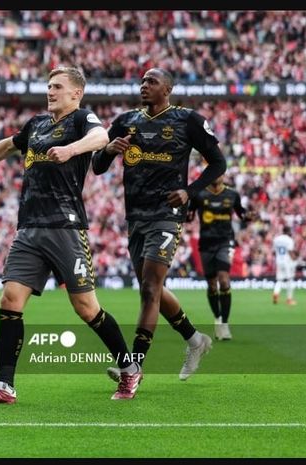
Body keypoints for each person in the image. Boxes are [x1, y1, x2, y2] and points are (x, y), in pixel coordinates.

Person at [0, 66, 142, 402]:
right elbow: (7, 146)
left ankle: (129, 369)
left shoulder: (82, 119)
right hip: (29, 228)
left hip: (65, 227)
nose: (50, 91)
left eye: (57, 87)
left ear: (75, 93)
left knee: (86, 308)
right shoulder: (37, 125)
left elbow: (101, 139)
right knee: (10, 300)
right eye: (48, 86)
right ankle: (4, 386)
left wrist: (71, 150)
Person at [92, 68, 226, 382]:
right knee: (152, 288)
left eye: (151, 82)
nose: (144, 86)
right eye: (142, 81)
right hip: (135, 216)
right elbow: (97, 167)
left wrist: (190, 191)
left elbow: (218, 162)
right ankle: (195, 340)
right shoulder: (126, 121)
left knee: (150, 288)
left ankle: (135, 364)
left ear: (167, 88)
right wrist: (108, 151)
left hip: (167, 215)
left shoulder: (187, 120)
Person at [187, 174, 257, 340]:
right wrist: (183, 214)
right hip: (206, 244)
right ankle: (217, 318)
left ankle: (224, 323)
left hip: (225, 242)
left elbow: (241, 214)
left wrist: (250, 216)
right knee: (212, 285)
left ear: (223, 175)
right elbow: (189, 215)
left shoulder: (232, 194)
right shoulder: (199, 194)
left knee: (224, 280)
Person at [272, 225, 298, 305]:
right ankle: (289, 299)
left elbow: (274, 252)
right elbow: (290, 252)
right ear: (288, 231)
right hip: (287, 262)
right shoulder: (289, 240)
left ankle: (276, 293)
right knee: (290, 280)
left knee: (279, 280)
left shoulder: (276, 239)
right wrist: (294, 259)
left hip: (279, 260)